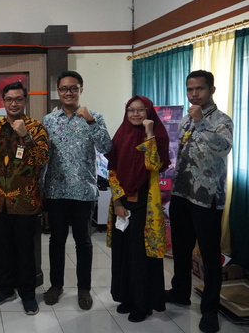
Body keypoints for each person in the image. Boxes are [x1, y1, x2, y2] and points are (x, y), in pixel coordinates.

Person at [165, 70, 233, 333]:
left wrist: (201, 122)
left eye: (199, 89)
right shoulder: (184, 120)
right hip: (182, 194)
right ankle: (180, 291)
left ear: (211, 90)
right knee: (181, 249)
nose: (194, 94)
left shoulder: (222, 120)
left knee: (209, 254)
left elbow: (223, 148)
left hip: (207, 199)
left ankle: (210, 309)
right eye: (190, 89)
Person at [41, 70, 111, 310]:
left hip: (83, 190)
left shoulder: (94, 117)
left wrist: (90, 121)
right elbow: (43, 155)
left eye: (73, 88)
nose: (68, 92)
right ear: (58, 91)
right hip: (56, 190)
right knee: (56, 241)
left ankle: (84, 289)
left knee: (83, 242)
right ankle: (56, 286)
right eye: (64, 88)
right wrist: (39, 187)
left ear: (81, 89)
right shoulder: (49, 120)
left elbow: (106, 147)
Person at [0, 82, 49, 315]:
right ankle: (5, 289)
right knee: (2, 250)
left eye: (18, 99)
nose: (14, 103)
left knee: (25, 252)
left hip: (26, 202)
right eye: (9, 99)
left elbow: (42, 159)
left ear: (25, 100)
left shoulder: (36, 128)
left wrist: (25, 136)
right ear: (3, 102)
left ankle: (28, 294)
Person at [106, 95, 170, 322]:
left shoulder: (159, 136)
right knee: (123, 252)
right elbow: (112, 169)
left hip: (146, 203)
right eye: (131, 110)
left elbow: (153, 165)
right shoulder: (121, 134)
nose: (135, 114)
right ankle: (127, 297)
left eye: (140, 110)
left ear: (149, 112)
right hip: (122, 202)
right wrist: (117, 202)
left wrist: (149, 134)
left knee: (142, 254)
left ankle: (144, 304)